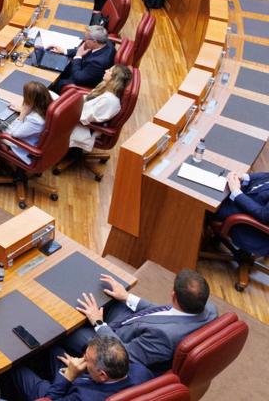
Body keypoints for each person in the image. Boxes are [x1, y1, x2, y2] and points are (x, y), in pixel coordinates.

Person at [66, 270, 216, 373]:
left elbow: (124, 355)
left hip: (118, 345)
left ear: (173, 295)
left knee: (71, 330)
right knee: (110, 301)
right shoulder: (209, 309)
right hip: (136, 324)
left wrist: (98, 324)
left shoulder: (164, 337)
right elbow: (164, 313)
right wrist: (126, 296)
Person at [14, 334, 152, 401]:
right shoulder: (142, 371)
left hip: (58, 393)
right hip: (86, 380)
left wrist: (67, 377)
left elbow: (49, 399)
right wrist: (84, 372)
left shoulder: (83, 398)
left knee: (17, 369)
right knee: (55, 351)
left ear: (102, 374)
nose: (81, 359)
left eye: (86, 359)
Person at [69, 65, 131, 151]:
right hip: (78, 113)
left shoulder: (109, 101)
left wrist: (66, 109)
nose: (105, 70)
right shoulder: (105, 89)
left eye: (109, 70)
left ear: (114, 78)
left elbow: (84, 118)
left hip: (84, 128)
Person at [210, 171, 269, 260]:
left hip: (253, 230)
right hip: (244, 201)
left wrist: (236, 192)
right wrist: (244, 177)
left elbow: (264, 215)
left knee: (204, 200)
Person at [0, 80, 51, 167]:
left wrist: (22, 114)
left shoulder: (36, 120)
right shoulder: (47, 107)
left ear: (32, 101)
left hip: (21, 145)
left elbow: (14, 134)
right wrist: (22, 109)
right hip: (30, 137)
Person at [50, 26, 116, 92]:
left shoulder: (99, 62)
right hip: (83, 68)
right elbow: (83, 50)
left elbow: (78, 78)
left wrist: (78, 56)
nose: (84, 40)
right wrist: (64, 51)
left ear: (94, 41)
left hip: (79, 82)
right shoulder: (104, 43)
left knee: (53, 80)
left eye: (86, 39)